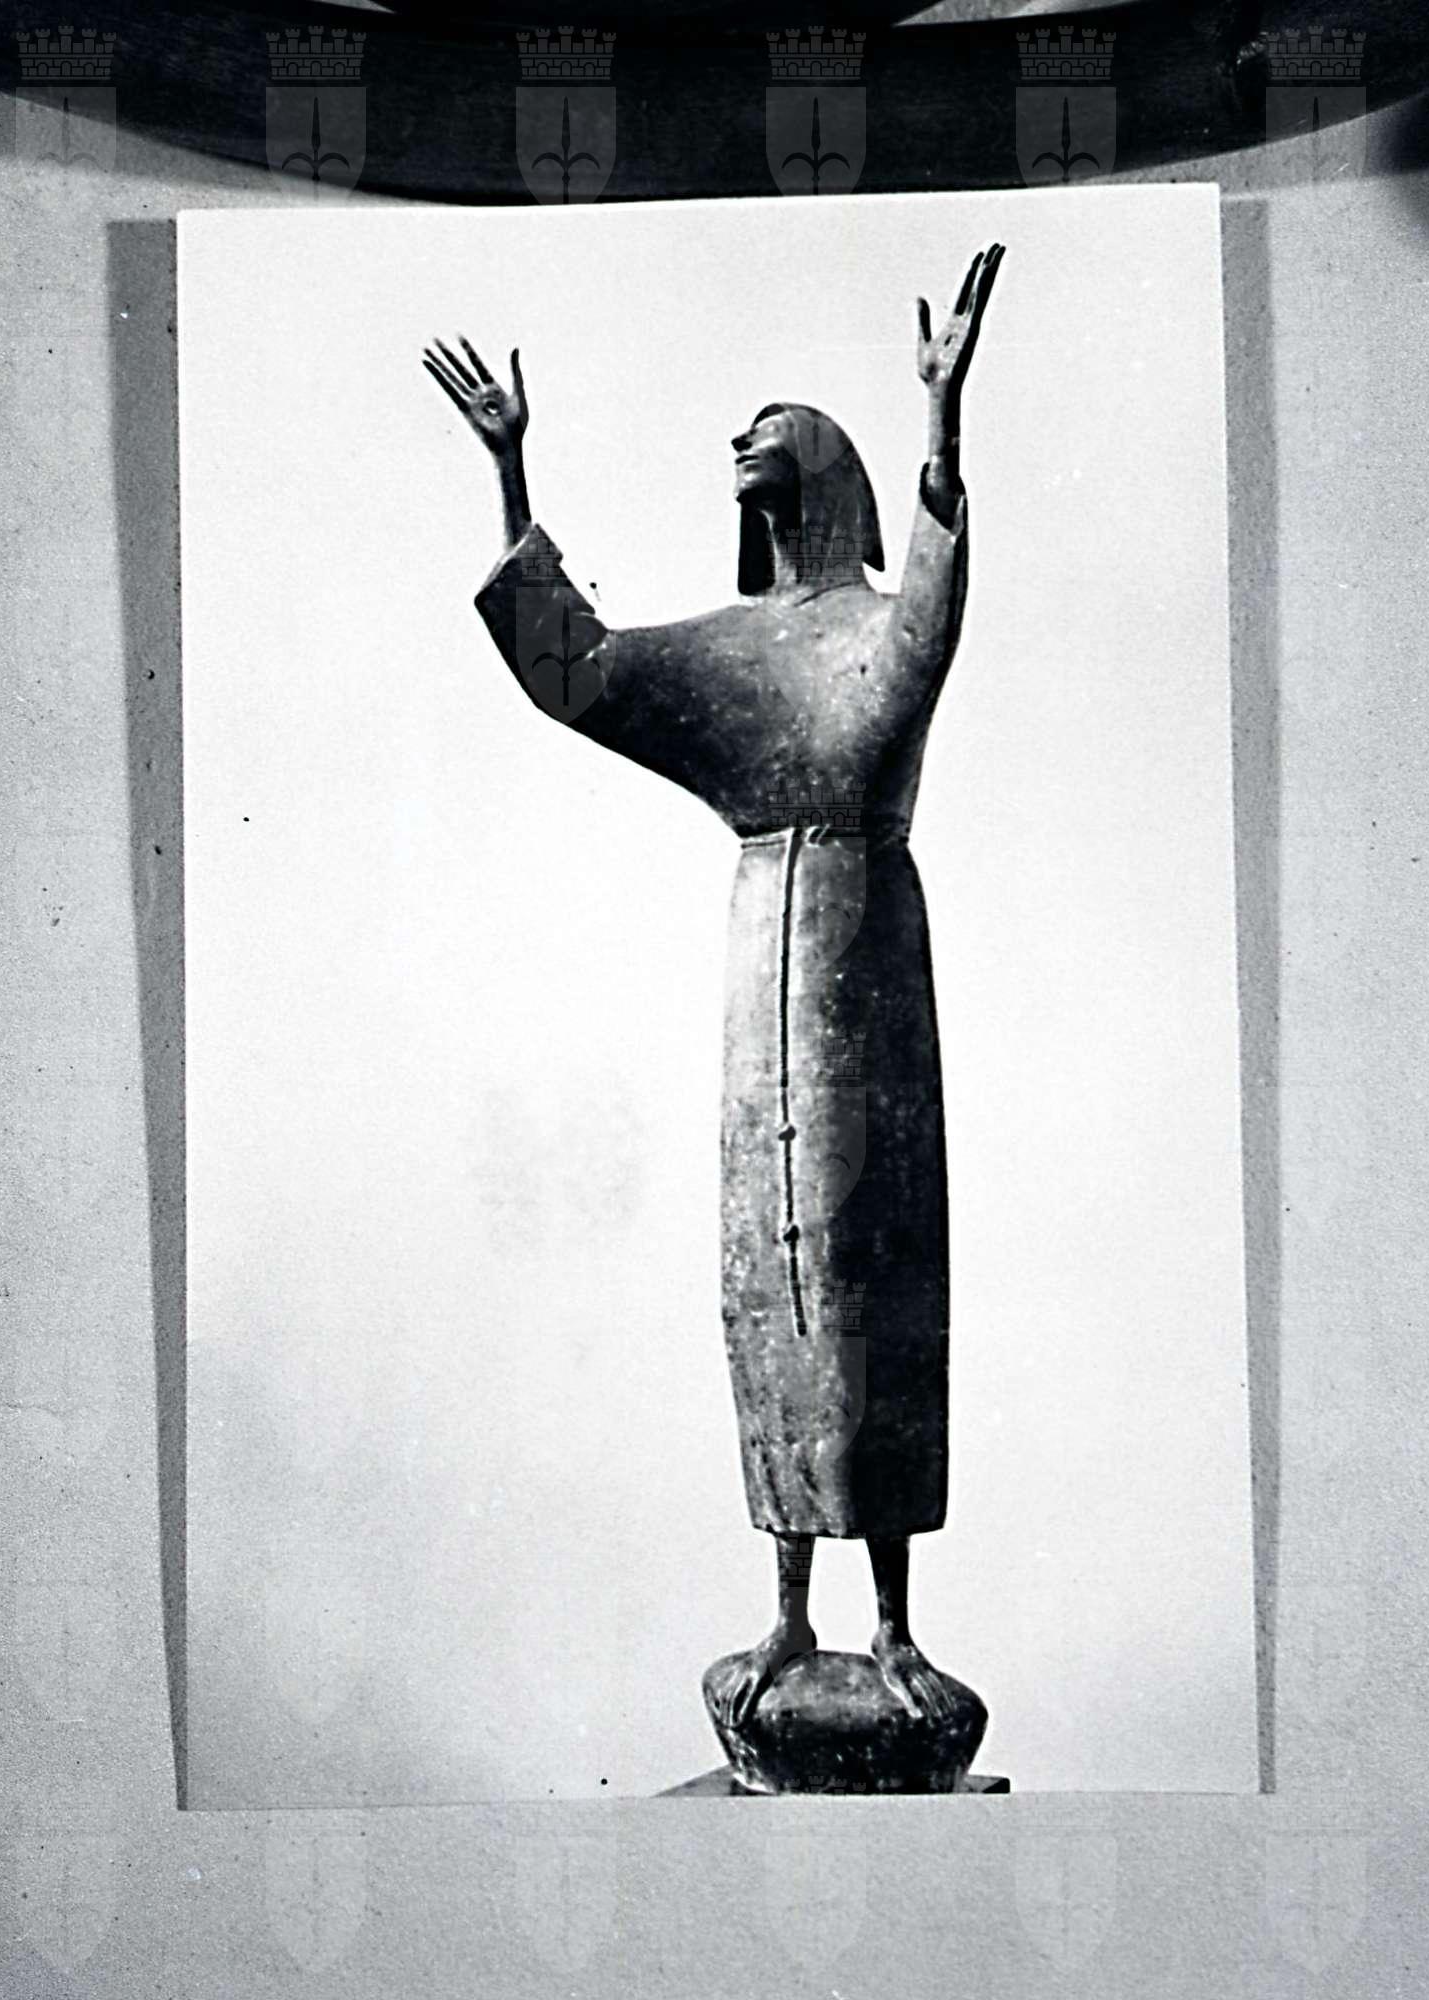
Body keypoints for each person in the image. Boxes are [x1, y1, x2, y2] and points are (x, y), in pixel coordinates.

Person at [423, 243, 1003, 1730]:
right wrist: (510, 469)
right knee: (774, 1270)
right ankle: (791, 1614)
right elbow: (574, 669)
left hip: (867, 959)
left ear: (827, 473)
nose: (747, 444)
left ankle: (894, 1629)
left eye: (774, 432)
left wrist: (941, 422)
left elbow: (933, 611)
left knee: (876, 1268)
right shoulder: (731, 656)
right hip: (763, 974)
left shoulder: (877, 631)